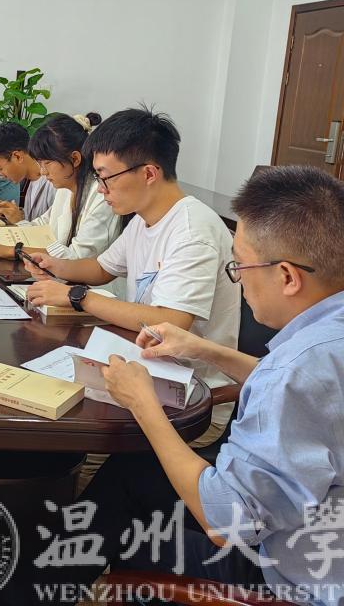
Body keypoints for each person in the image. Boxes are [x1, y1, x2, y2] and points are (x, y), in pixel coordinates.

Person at [15, 166, 344, 606]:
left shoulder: (295, 371)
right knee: (130, 477)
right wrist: (205, 350)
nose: (238, 278)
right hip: (331, 540)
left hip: (297, 579)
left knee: (123, 529)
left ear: (288, 276)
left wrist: (143, 404)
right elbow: (313, 394)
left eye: (240, 264)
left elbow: (226, 522)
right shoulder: (335, 337)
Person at [24, 106, 239, 430]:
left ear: (149, 173)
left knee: (55, 422)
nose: (101, 189)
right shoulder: (143, 219)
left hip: (189, 399)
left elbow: (171, 321)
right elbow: (102, 268)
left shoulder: (192, 231)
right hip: (143, 370)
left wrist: (77, 296)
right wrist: (57, 266)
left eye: (105, 177)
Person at [0, 113, 122, 265]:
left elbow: (78, 257)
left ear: (75, 159)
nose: (43, 171)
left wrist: (13, 250)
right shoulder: (65, 187)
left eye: (47, 163)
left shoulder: (101, 195)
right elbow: (42, 227)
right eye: (40, 164)